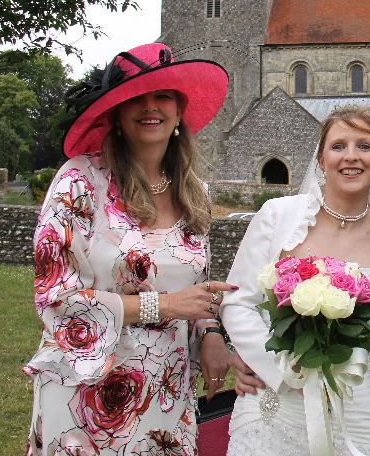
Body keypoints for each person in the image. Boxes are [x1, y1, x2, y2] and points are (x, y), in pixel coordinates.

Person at [26, 43, 236, 455]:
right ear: (117, 113)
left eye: (163, 96)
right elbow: (56, 299)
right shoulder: (79, 182)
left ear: (179, 112)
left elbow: (196, 290)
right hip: (87, 394)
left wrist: (211, 332)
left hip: (167, 389)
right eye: (136, 97)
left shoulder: (194, 193)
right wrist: (166, 305)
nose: (150, 107)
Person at [220, 105, 370, 456]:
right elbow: (237, 301)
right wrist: (276, 368)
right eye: (338, 146)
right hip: (277, 396)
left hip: (355, 404)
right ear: (321, 159)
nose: (351, 156)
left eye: (364, 146)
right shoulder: (279, 216)